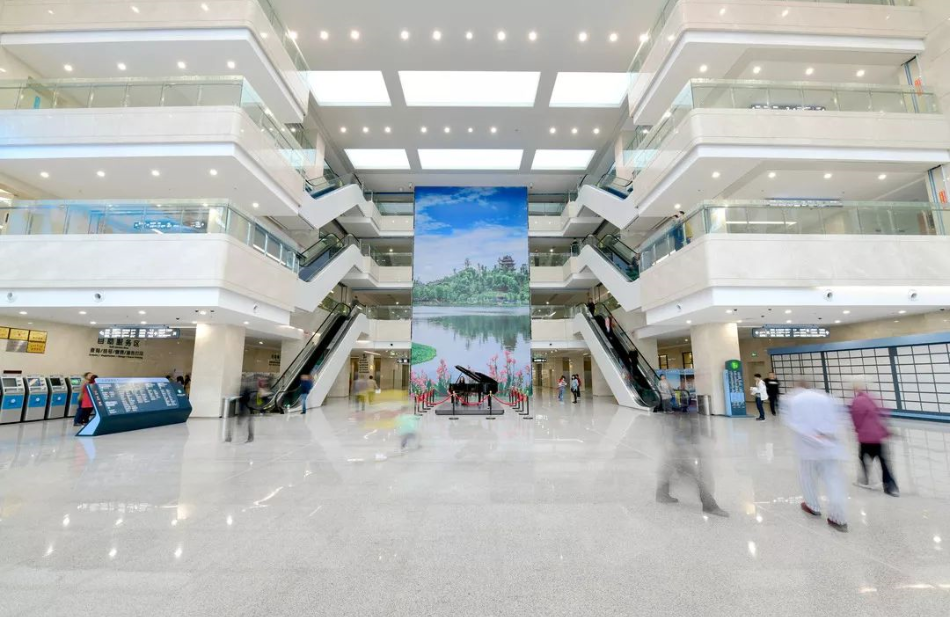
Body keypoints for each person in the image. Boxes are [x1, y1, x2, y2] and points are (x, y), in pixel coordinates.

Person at [783, 379, 849, 532]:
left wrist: (813, 437)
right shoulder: (828, 398)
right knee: (833, 482)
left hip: (808, 449)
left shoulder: (792, 399)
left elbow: (792, 423)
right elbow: (841, 419)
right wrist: (827, 436)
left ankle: (812, 506)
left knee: (807, 477)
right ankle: (838, 518)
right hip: (830, 447)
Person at [656, 410, 728, 517]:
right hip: (682, 431)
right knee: (702, 471)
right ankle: (709, 504)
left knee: (672, 462)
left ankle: (661, 493)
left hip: (683, 430)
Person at [849, 377, 899, 497]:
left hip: (866, 436)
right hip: (878, 435)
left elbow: (856, 419)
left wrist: (857, 429)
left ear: (856, 388)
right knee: (883, 461)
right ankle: (890, 487)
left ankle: (865, 480)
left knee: (863, 457)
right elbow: (884, 412)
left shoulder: (857, 401)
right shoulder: (872, 397)